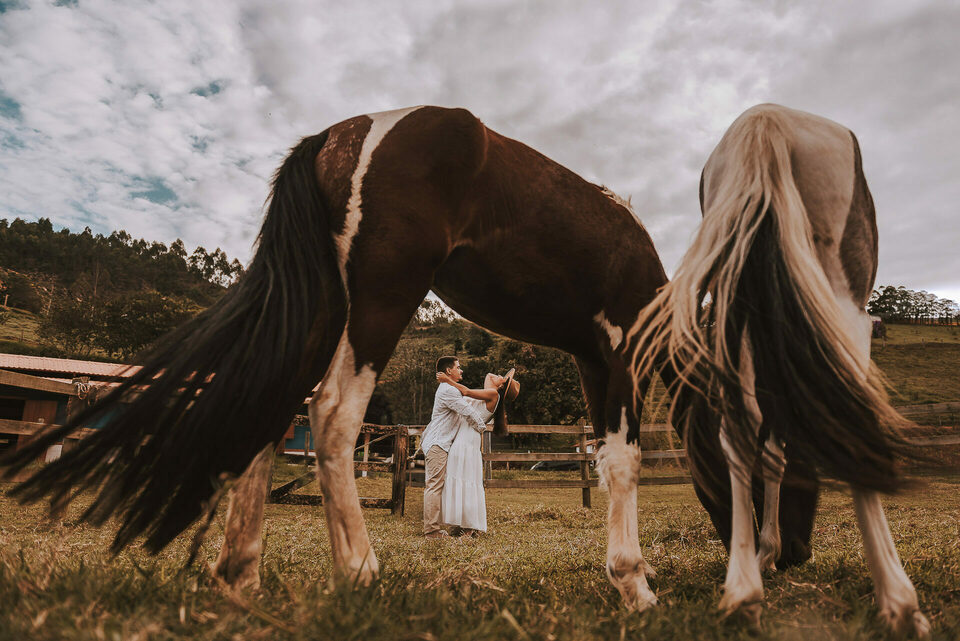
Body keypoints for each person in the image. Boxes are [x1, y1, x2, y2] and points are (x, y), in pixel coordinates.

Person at [419, 356, 489, 539]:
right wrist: (482, 427)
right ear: (449, 371)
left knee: (437, 485)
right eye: (458, 367)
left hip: (442, 443)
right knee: (434, 486)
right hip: (438, 443)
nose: (461, 370)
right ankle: (432, 531)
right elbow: (468, 412)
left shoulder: (450, 388)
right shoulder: (448, 390)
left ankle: (440, 527)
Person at [436, 371, 506, 536]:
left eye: (499, 376)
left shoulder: (493, 394)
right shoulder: (483, 394)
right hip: (461, 437)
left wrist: (447, 379)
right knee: (458, 477)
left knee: (466, 480)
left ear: (500, 385)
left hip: (467, 441)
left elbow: (465, 392)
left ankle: (469, 528)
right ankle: (462, 524)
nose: (493, 374)